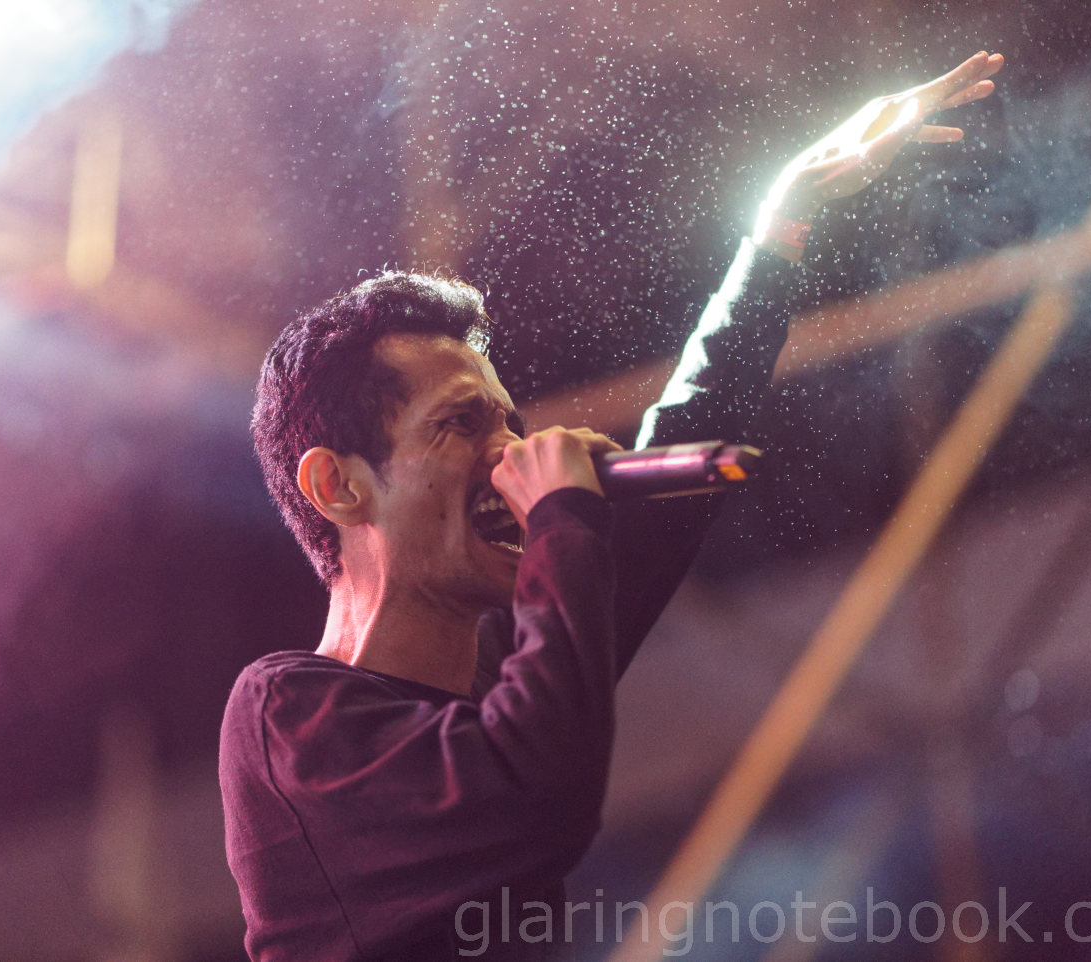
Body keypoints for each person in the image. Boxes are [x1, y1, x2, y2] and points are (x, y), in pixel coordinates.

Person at [220, 51, 1005, 960]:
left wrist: (776, 235)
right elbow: (536, 798)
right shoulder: (288, 717)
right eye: (460, 424)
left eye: (512, 424)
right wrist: (562, 519)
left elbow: (658, 509)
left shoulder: (502, 685)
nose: (509, 453)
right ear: (338, 485)